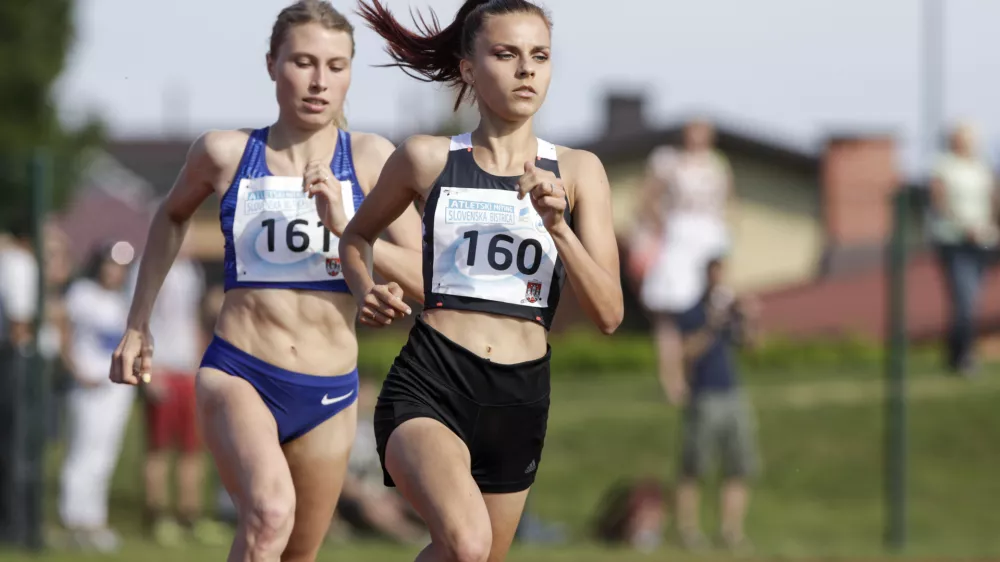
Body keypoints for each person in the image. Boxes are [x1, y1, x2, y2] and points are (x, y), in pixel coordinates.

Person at [108, 1, 423, 560]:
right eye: (303, 62)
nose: (319, 81)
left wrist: (348, 229)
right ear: (272, 64)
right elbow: (171, 216)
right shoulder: (225, 153)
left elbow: (425, 277)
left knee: (297, 552)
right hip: (240, 371)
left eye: (336, 65)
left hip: (329, 390)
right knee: (269, 514)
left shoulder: (372, 159)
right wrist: (138, 324)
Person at [342, 1, 624, 560]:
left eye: (539, 56)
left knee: (468, 556)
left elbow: (610, 315)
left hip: (520, 397)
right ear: (469, 69)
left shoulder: (579, 171)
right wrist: (363, 289)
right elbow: (355, 238)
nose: (526, 70)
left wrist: (559, 229)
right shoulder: (426, 158)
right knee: (468, 544)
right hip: (433, 381)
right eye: (506, 54)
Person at [633, 120, 735, 407]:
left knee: (710, 309)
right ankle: (673, 380)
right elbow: (646, 199)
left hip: (710, 238)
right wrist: (660, 229)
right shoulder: (668, 161)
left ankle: (701, 373)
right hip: (677, 241)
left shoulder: (717, 164)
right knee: (671, 314)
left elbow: (728, 201)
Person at [130, 242, 226, 546]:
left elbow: (194, 319)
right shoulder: (148, 268)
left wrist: (201, 362)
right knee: (158, 448)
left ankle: (190, 515)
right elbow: (135, 321)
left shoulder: (192, 271)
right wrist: (146, 371)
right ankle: (157, 515)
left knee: (193, 448)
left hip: (188, 370)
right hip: (162, 367)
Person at [672, 257, 760, 552]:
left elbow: (751, 347)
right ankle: (688, 531)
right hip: (704, 396)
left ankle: (731, 531)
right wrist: (711, 324)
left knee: (739, 465)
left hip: (732, 393)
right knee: (694, 467)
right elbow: (686, 352)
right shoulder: (693, 312)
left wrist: (747, 318)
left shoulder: (731, 312)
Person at [59, 243, 135, 552]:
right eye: (110, 264)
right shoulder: (81, 294)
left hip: (115, 389)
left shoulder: (124, 301)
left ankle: (94, 518)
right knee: (82, 451)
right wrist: (76, 371)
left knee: (105, 455)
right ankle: (72, 518)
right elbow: (63, 332)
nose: (114, 271)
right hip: (87, 385)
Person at [927, 122, 999, 376]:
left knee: (973, 299)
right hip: (954, 240)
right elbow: (939, 202)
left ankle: (957, 354)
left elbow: (993, 199)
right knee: (964, 298)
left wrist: (991, 225)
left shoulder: (981, 167)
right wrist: (964, 226)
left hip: (983, 240)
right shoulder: (943, 166)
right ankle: (963, 356)